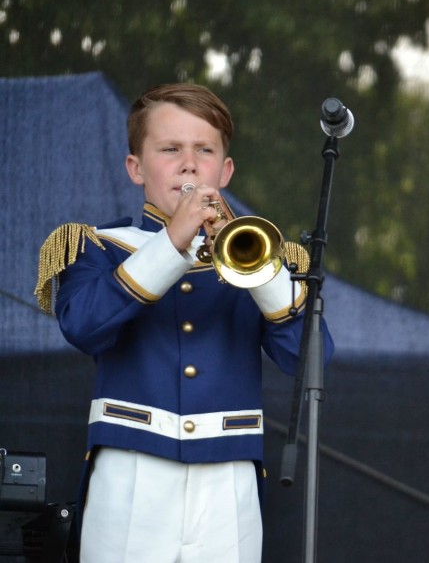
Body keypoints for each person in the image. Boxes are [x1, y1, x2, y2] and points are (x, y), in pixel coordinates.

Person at [34, 83, 333, 562]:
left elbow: (309, 358)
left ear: (225, 169)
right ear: (136, 167)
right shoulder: (95, 245)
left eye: (205, 150)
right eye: (170, 149)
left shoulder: (267, 256)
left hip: (228, 478)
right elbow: (84, 326)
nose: (189, 164)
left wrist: (260, 270)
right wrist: (173, 241)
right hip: (132, 474)